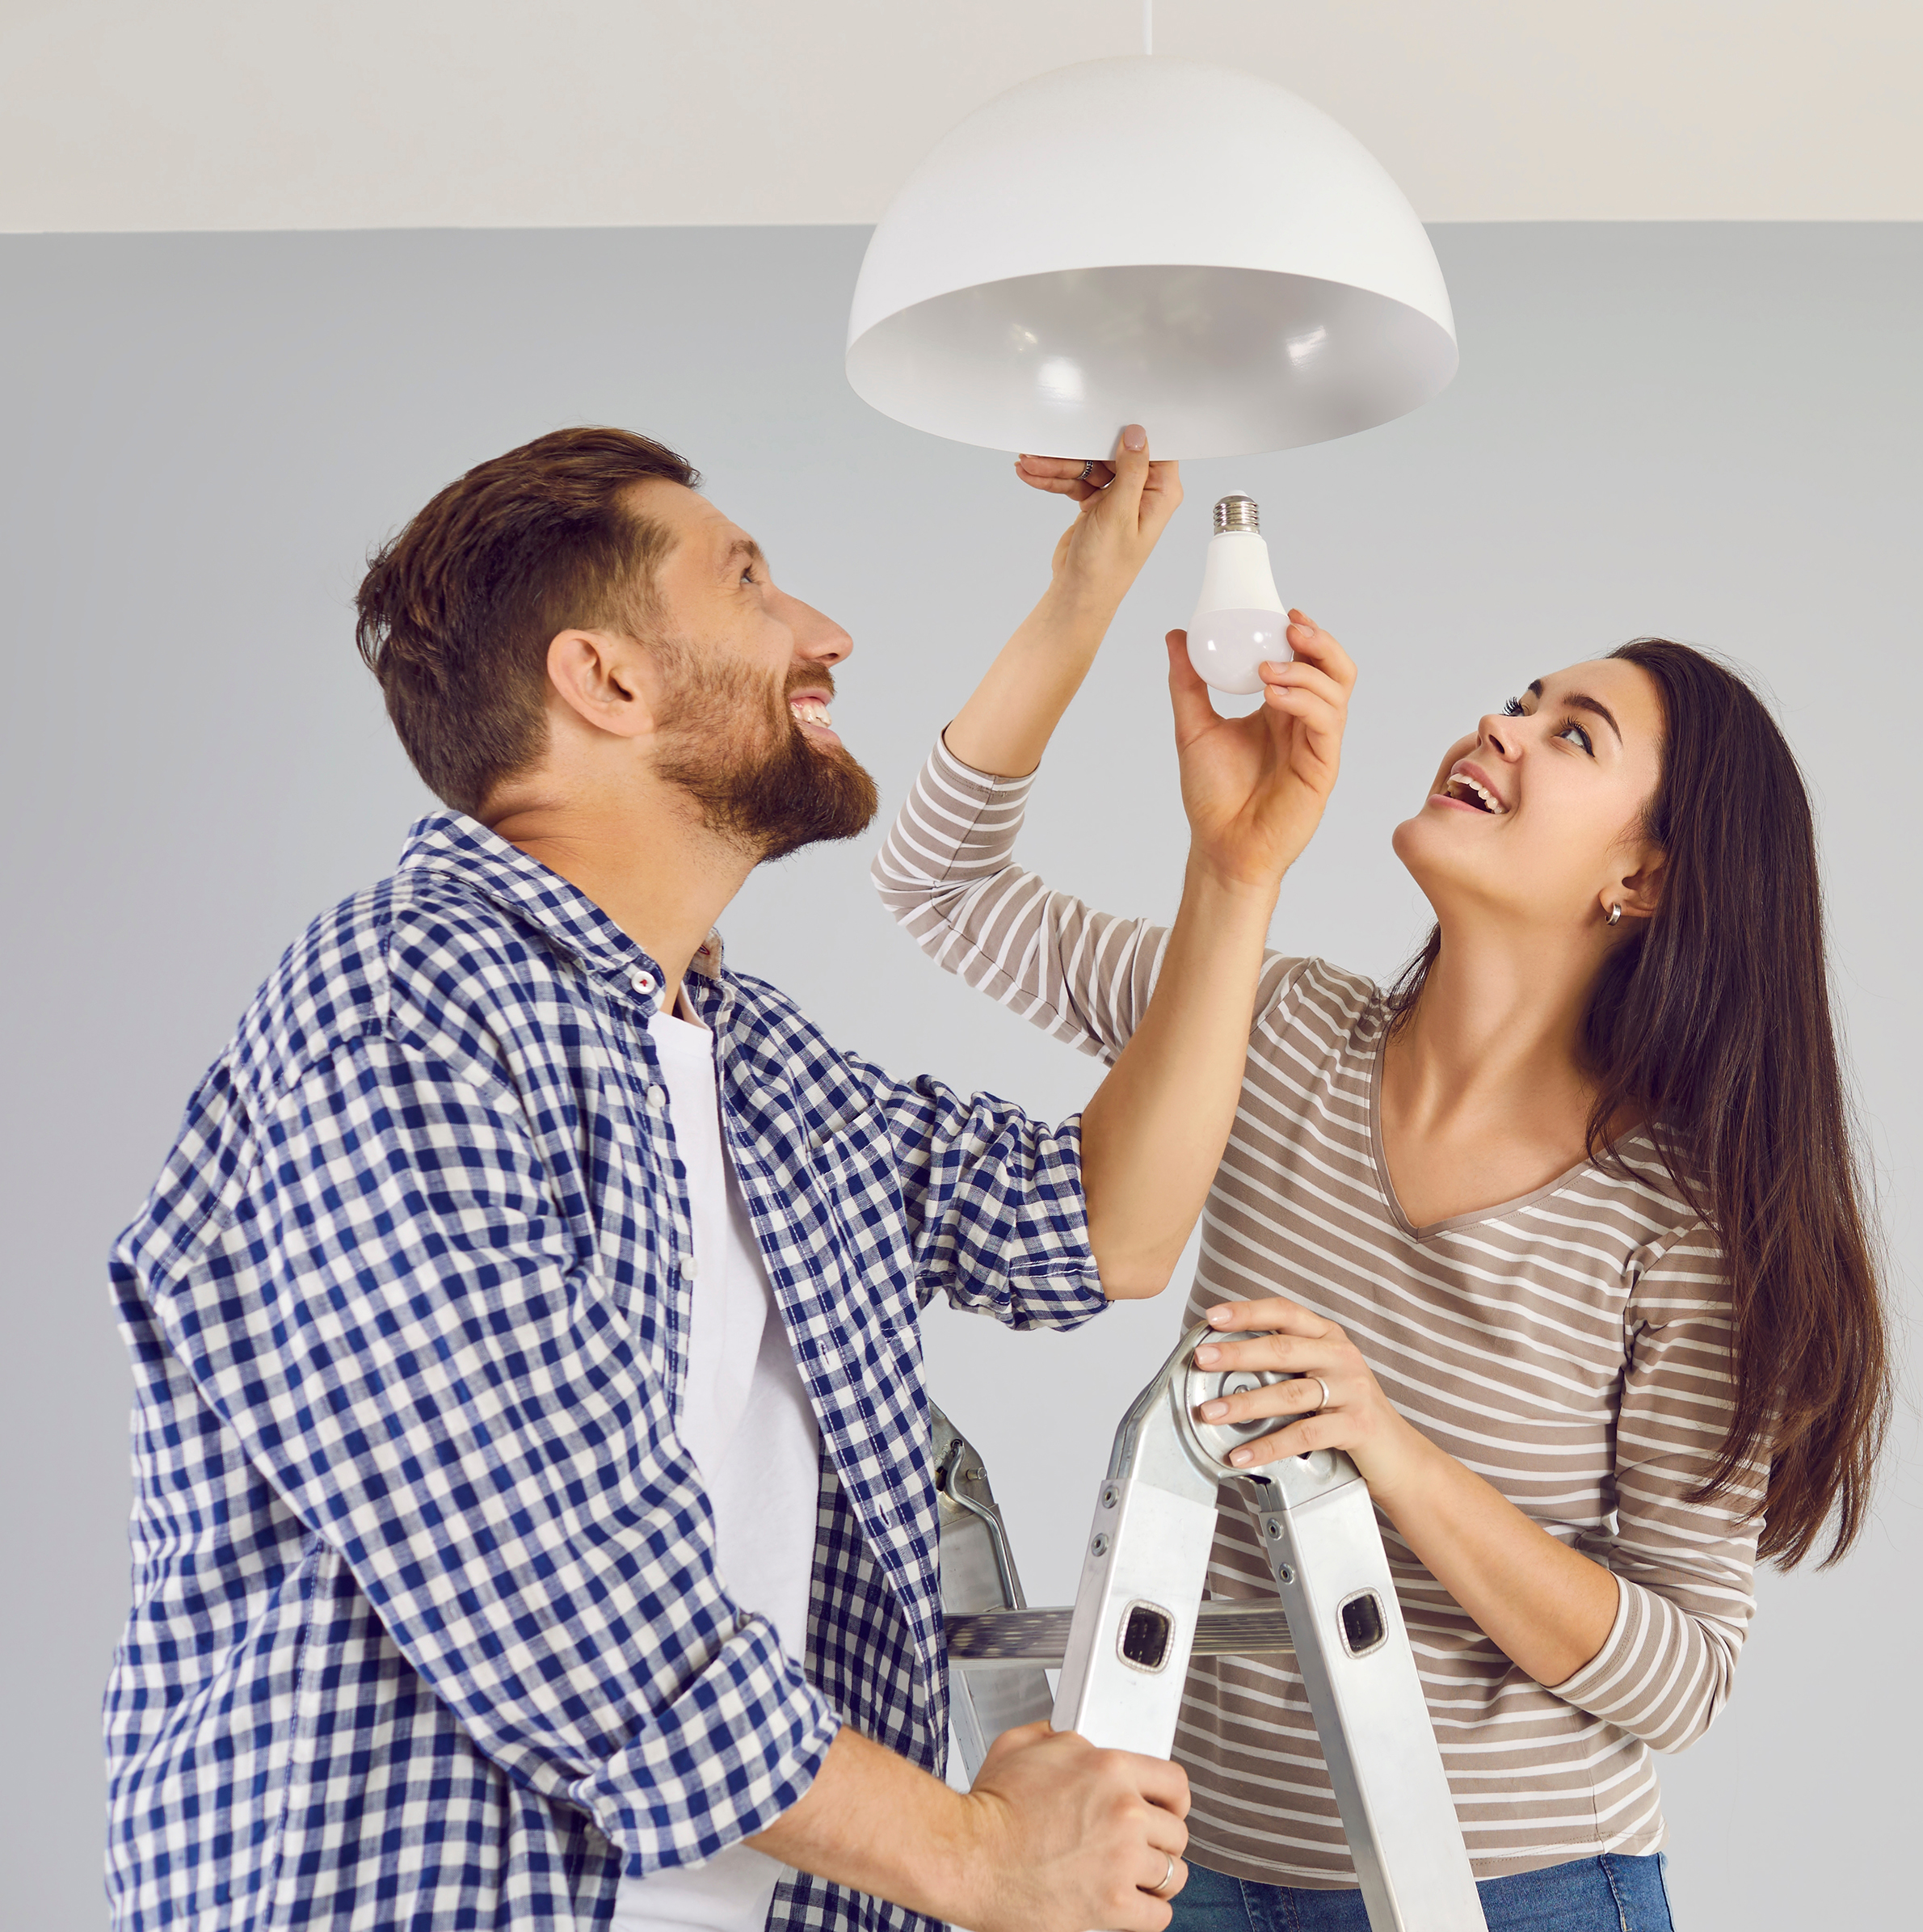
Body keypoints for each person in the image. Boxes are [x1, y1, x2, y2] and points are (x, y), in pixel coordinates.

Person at [103, 423, 1344, 1932]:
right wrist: (980, 1856)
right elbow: (548, 1579)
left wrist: (1234, 868)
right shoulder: (404, 1005)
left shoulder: (754, 1067)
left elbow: (1104, 1227)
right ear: (605, 680)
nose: (824, 634)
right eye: (750, 582)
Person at [873, 435, 1893, 1930]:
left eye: (1576, 735)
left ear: (1648, 877)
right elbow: (939, 883)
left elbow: (1681, 1676)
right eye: (1519, 700)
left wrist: (1387, 1450)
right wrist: (1087, 596)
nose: (1505, 725)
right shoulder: (1272, 1030)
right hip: (1196, 1878)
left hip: (1515, 1890)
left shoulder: (1675, 1229)